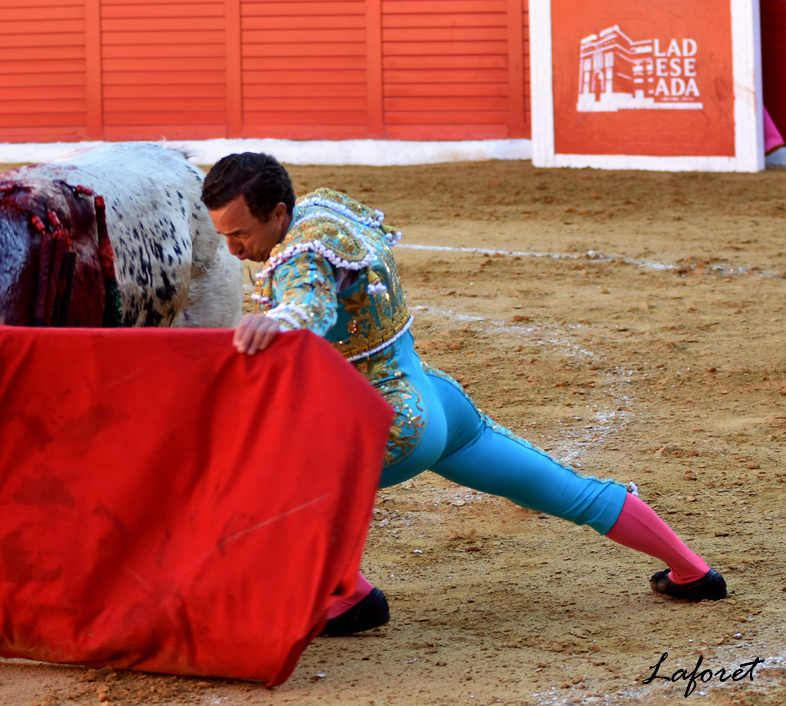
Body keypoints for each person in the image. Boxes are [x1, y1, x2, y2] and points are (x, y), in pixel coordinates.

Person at [202, 153, 728, 635]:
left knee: (276, 485)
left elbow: (309, 305)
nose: (232, 249)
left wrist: (279, 320)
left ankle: (352, 596)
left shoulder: (299, 255)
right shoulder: (324, 208)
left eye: (240, 233)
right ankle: (693, 572)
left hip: (391, 420)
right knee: (560, 488)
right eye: (223, 234)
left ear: (278, 213)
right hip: (436, 400)